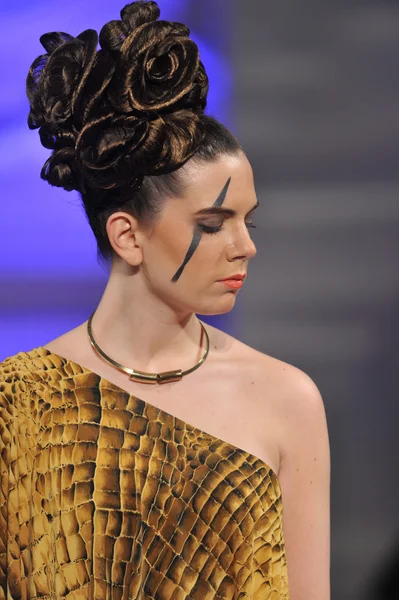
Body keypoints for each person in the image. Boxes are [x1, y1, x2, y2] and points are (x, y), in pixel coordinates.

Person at [0, 1, 330, 598]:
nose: (245, 246)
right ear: (128, 235)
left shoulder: (288, 401)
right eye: (213, 222)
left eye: (248, 221)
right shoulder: (15, 405)